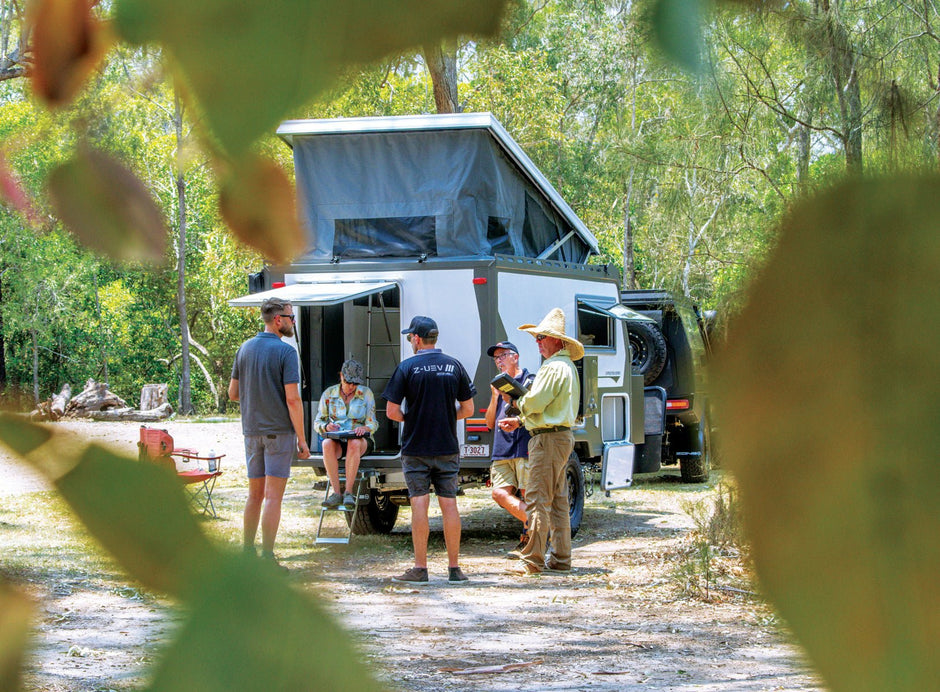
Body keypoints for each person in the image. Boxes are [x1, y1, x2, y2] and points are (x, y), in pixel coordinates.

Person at [383, 316, 476, 584]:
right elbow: (468, 409)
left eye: (410, 336)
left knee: (419, 505)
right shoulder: (454, 366)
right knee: (450, 506)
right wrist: (445, 416)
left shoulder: (407, 367)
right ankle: (455, 569)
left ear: (416, 338)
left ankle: (420, 568)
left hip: (416, 448)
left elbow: (391, 411)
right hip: (447, 446)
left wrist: (413, 419)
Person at [498, 308, 583, 576]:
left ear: (558, 341)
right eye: (537, 338)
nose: (538, 342)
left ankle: (531, 560)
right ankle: (560, 558)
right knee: (557, 500)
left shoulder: (554, 367)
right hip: (556, 436)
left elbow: (535, 402)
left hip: (547, 440)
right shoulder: (563, 365)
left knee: (536, 498)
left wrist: (516, 402)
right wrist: (522, 421)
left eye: (542, 337)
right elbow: (548, 408)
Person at [228, 297, 310, 569]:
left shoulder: (244, 348)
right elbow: (293, 400)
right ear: (278, 320)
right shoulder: (286, 352)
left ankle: (247, 552)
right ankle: (268, 557)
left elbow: (233, 394)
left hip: (251, 432)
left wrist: (257, 397)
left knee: (255, 495)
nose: (292, 322)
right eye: (290, 317)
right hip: (278, 432)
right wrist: (302, 438)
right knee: (273, 497)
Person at [484, 341, 534, 556]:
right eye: (496, 358)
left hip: (523, 444)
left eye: (503, 355)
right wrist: (495, 396)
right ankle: (539, 523)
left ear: (516, 356)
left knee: (526, 494)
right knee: (499, 493)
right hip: (502, 448)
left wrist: (510, 397)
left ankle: (528, 542)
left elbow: (531, 411)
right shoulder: (497, 384)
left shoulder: (530, 380)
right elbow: (489, 422)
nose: (499, 361)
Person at [314, 358, 379, 508]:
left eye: (355, 383)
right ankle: (336, 492)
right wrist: (326, 426)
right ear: (341, 376)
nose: (352, 386)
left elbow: (373, 422)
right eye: (349, 382)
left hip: (360, 440)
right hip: (338, 439)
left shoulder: (366, 393)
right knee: (326, 444)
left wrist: (365, 429)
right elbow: (318, 422)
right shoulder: (329, 394)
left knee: (354, 442)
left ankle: (349, 492)